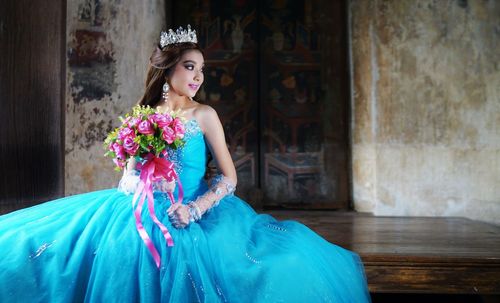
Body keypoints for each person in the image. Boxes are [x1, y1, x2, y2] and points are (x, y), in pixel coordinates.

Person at [0, 25, 370, 302]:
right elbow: (128, 175)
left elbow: (229, 177)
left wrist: (196, 208)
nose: (197, 76)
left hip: (192, 211)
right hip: (138, 209)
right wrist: (138, 186)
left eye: (201, 69)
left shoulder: (204, 115)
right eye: (190, 67)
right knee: (60, 247)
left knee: (275, 263)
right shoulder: (143, 116)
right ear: (169, 68)